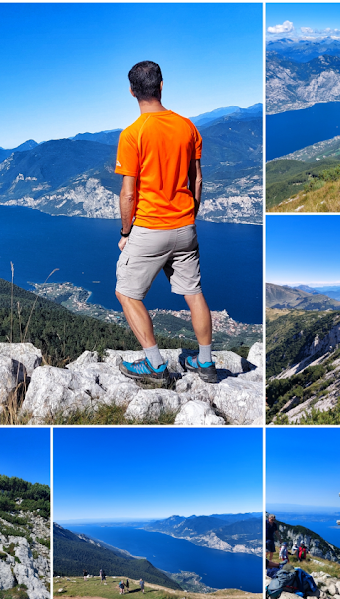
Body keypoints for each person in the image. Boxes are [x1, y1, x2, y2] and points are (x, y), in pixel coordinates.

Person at [114, 60, 216, 386]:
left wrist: (125, 232)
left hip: (149, 228)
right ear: (161, 85)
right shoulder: (188, 127)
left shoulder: (132, 134)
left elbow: (128, 194)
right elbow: (197, 180)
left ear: (132, 91)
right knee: (194, 293)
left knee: (127, 293)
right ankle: (206, 361)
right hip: (186, 227)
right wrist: (190, 216)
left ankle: (156, 367)